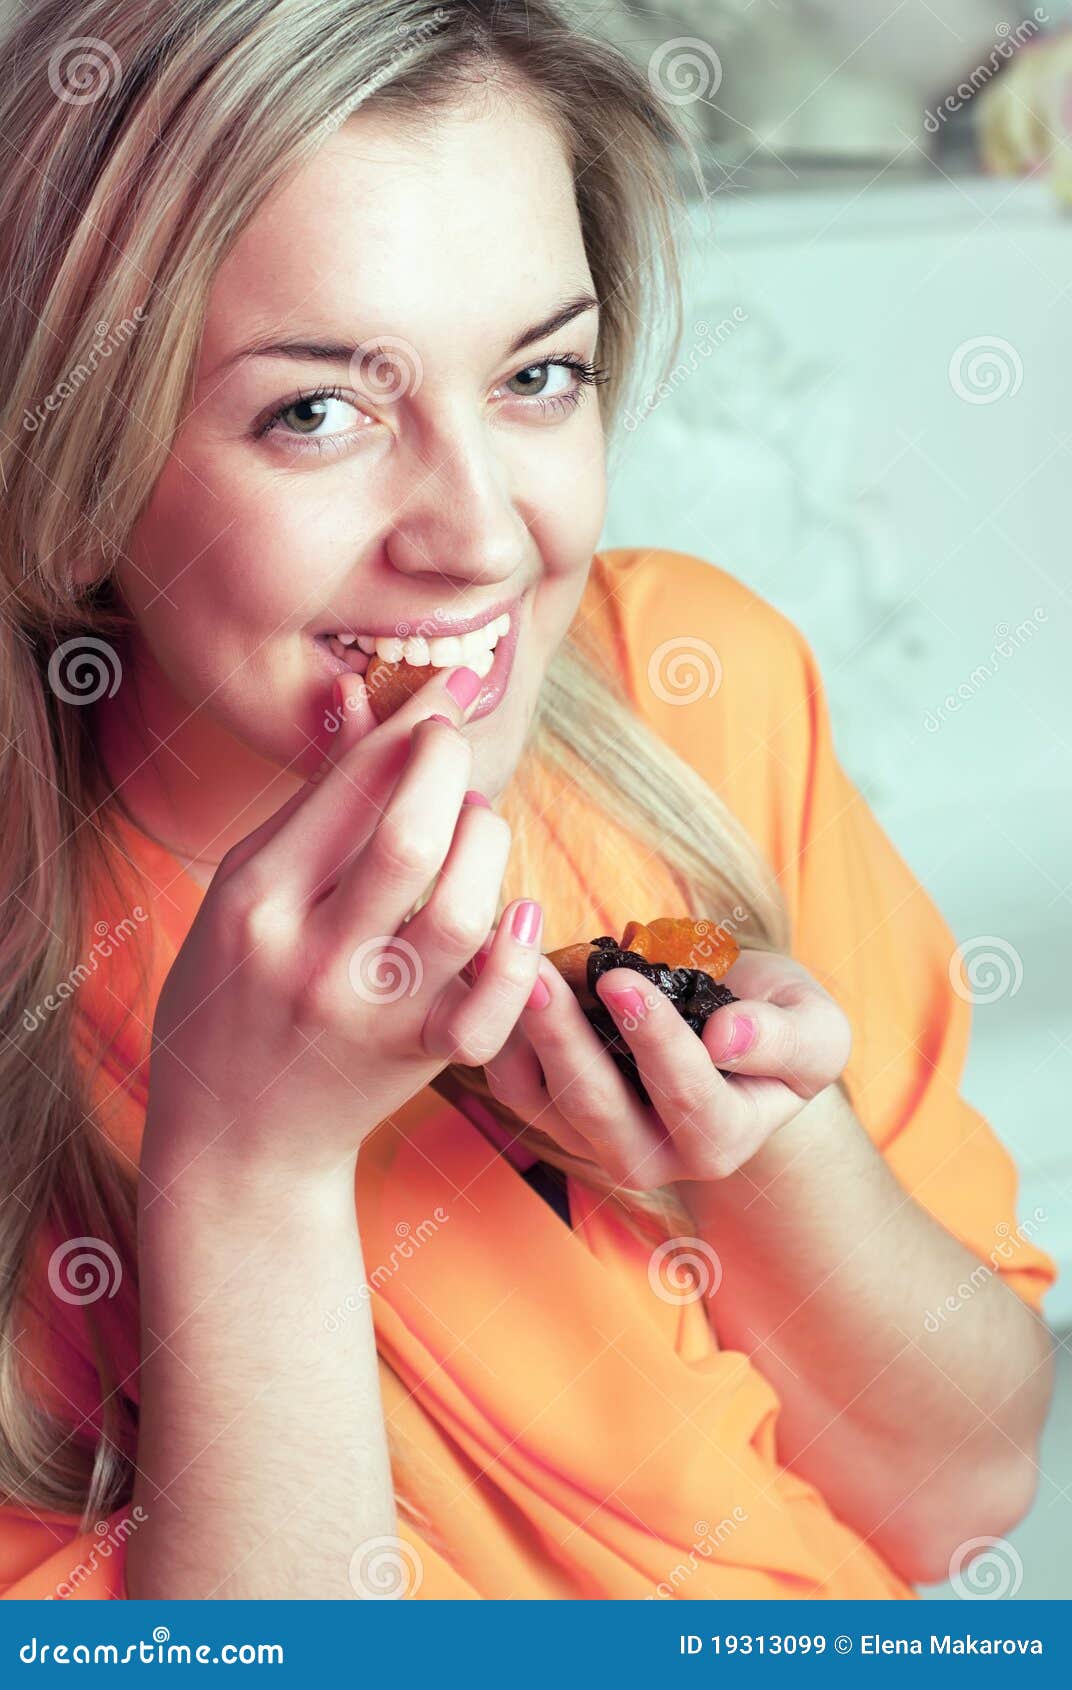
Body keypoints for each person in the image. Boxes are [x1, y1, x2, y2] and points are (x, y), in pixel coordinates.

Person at [0, 0, 1055, 1602]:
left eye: (538, 376)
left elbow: (968, 1492)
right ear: (76, 481)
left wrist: (765, 1157)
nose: (484, 536)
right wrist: (248, 1178)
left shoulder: (700, 685)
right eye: (317, 412)